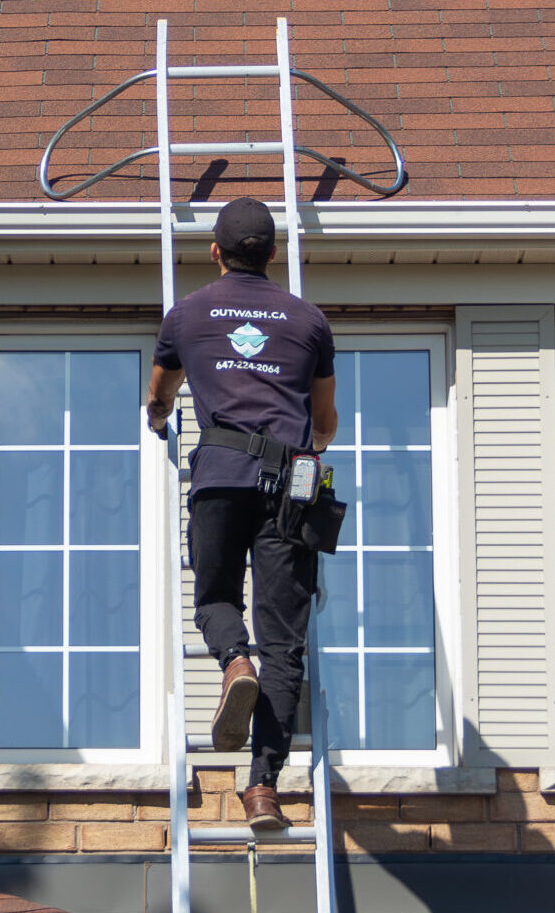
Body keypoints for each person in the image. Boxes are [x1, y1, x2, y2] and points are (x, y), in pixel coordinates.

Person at [145, 197, 337, 832]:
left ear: (215, 251)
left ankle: (233, 661)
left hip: (220, 475)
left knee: (215, 598)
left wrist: (158, 412)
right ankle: (262, 789)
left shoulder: (188, 314)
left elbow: (161, 387)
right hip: (290, 485)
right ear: (274, 253)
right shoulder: (309, 321)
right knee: (285, 642)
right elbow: (324, 420)